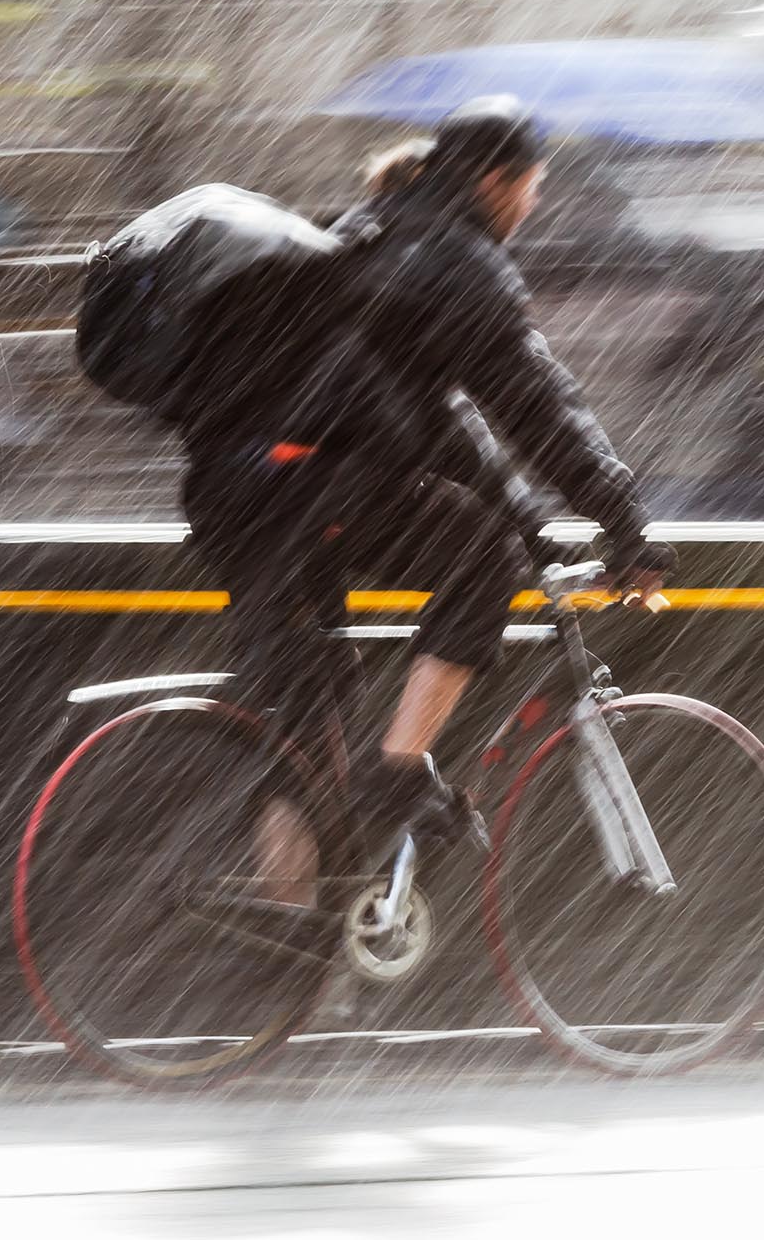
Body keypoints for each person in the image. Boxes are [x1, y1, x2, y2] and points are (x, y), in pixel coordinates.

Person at [179, 96, 673, 887]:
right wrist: (625, 523)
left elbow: (439, 424)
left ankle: (289, 946)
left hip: (237, 488)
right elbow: (538, 407)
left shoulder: (362, 232)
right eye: (531, 187)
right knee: (481, 560)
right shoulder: (458, 265)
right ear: (495, 179)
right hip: (313, 489)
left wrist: (535, 523)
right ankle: (400, 771)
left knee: (303, 725)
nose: (533, 206)